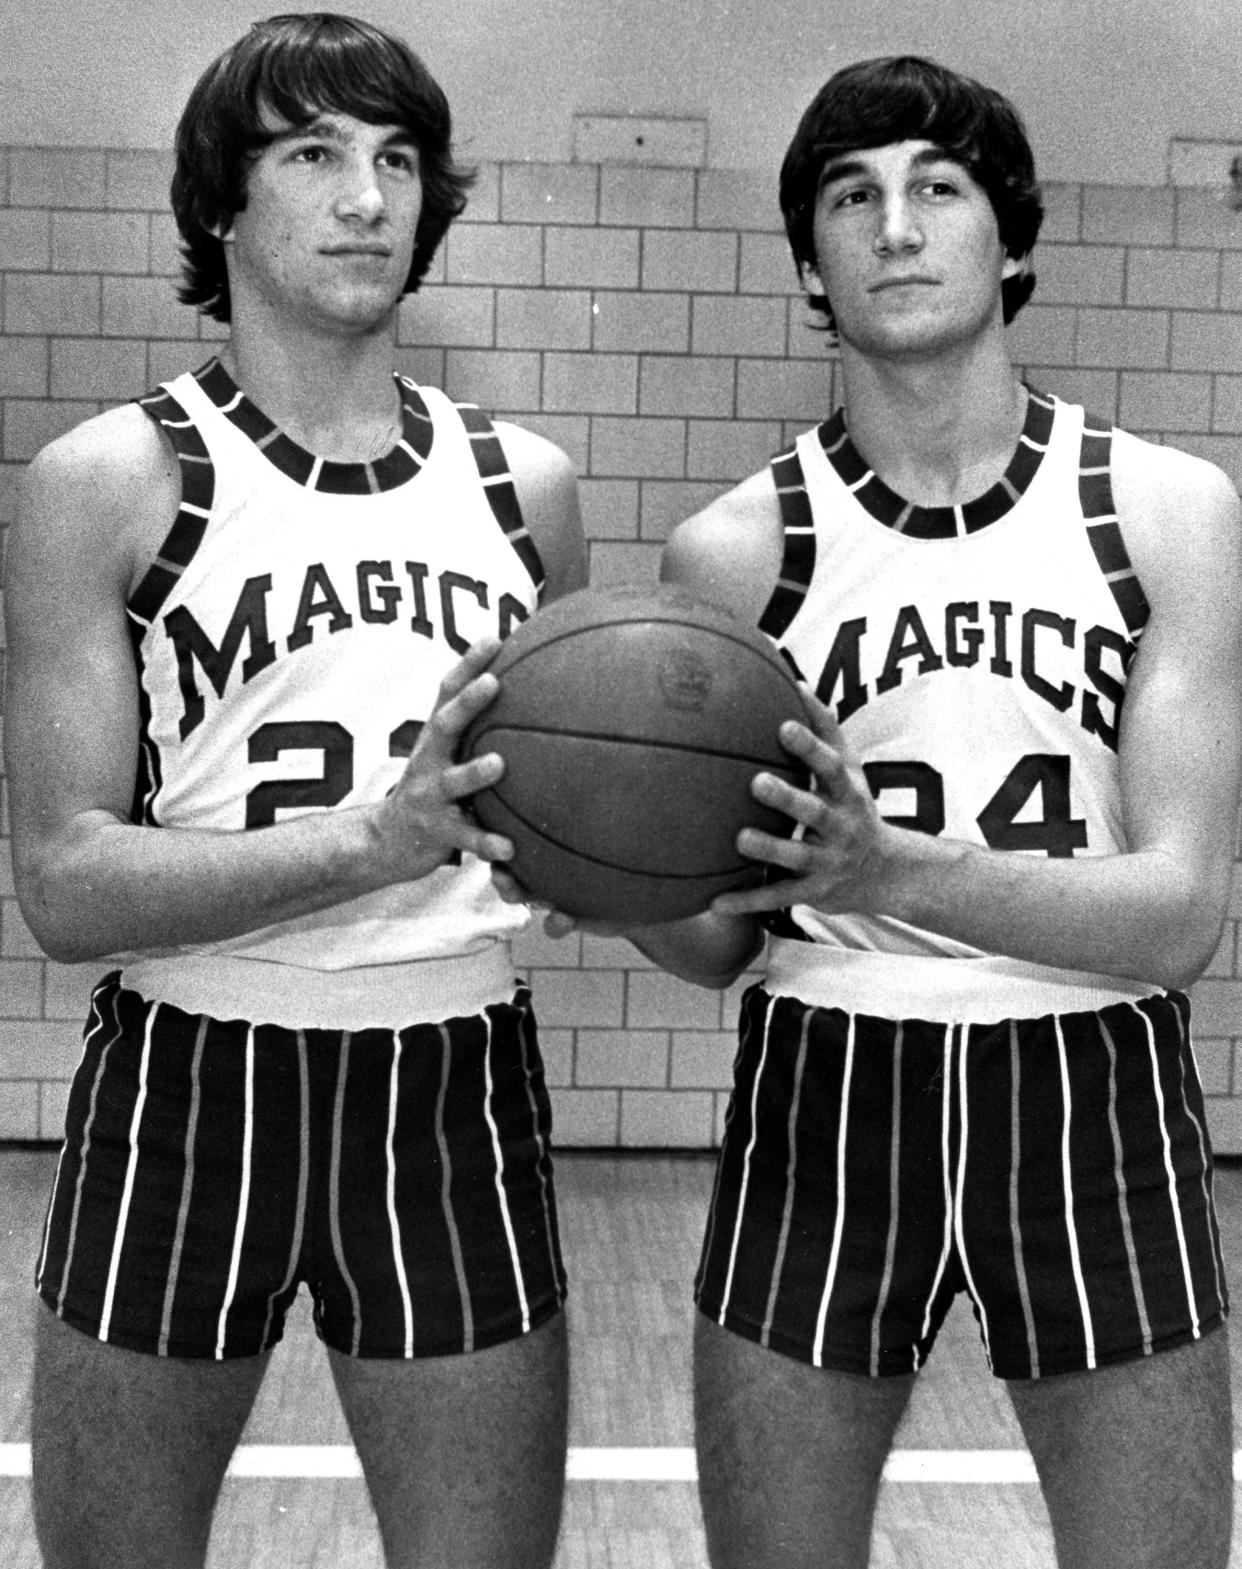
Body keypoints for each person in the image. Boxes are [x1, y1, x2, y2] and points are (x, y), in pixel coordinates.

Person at [595, 53, 1240, 1569]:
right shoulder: (734, 551)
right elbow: (722, 939)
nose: (894, 225)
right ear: (807, 266)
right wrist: (603, 874)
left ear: (1008, 237)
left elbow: (1176, 917)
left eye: (934, 187)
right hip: (829, 1075)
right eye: (849, 196)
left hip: (1090, 1075)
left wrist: (889, 863)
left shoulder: (1159, 510)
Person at [6, 14, 587, 1569]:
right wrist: (373, 839)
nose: (366, 196)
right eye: (313, 154)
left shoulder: (524, 487)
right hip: (190, 1077)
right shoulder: (109, 481)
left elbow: (557, 823)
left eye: (397, 159)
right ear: (220, 203)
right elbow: (64, 882)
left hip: (448, 1074)